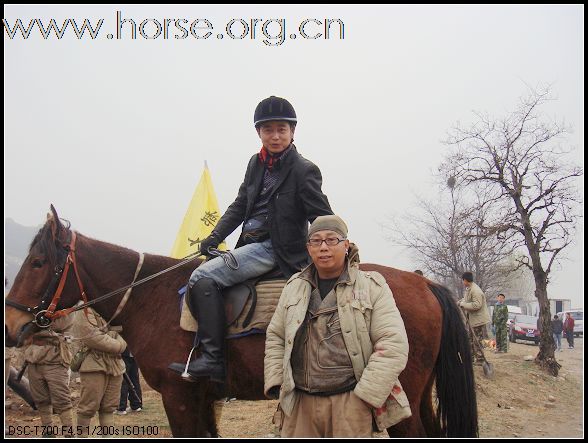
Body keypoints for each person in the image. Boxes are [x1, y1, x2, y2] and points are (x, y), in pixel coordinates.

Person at [169, 96, 333, 382]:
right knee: (202, 271)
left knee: (201, 278)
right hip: (250, 244)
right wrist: (214, 237)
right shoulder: (255, 165)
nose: (275, 135)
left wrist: (334, 245)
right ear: (259, 133)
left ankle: (212, 360)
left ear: (292, 132)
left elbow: (321, 216)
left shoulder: (304, 169)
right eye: (268, 129)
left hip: (276, 249)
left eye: (281, 129)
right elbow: (239, 205)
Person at [264, 215, 411, 437]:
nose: (323, 247)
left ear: (346, 245)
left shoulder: (372, 286)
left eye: (331, 240)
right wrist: (277, 380)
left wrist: (365, 396)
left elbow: (393, 343)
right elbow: (276, 335)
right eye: (316, 241)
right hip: (300, 404)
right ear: (308, 248)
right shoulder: (293, 287)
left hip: (351, 402)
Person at [73, 308, 127, 437]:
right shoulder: (85, 310)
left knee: (109, 408)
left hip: (115, 364)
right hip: (93, 364)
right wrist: (118, 346)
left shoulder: (113, 306)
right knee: (87, 408)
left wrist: (119, 341)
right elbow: (91, 336)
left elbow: (124, 329)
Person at [22, 315, 74, 437]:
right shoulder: (35, 306)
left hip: (55, 358)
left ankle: (69, 433)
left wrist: (37, 324)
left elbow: (62, 324)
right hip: (34, 357)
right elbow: (24, 324)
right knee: (41, 399)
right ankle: (48, 432)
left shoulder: (66, 304)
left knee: (62, 399)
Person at [458, 272, 491, 365]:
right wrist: (460, 302)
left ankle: (480, 360)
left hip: (478, 320)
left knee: (477, 340)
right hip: (472, 320)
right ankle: (470, 358)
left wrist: (463, 304)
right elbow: (466, 300)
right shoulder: (469, 289)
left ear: (465, 280)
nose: (463, 282)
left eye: (463, 280)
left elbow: (477, 305)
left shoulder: (476, 290)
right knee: (470, 340)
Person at [114, 348, 143, 415]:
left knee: (124, 381)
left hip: (124, 354)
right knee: (134, 380)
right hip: (134, 352)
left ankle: (121, 408)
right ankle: (136, 405)